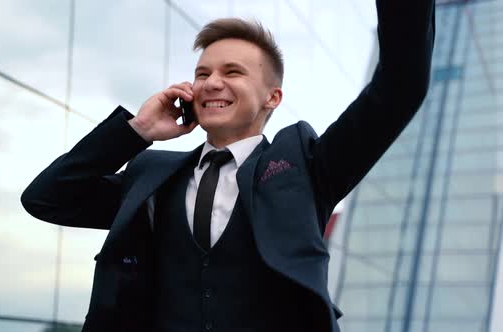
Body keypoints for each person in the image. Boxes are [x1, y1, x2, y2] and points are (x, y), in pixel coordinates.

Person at [21, 1, 435, 331]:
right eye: (202, 73)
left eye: (232, 72)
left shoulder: (308, 167)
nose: (211, 82)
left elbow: (402, 84)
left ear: (273, 97)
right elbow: (46, 199)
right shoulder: (151, 176)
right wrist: (138, 130)